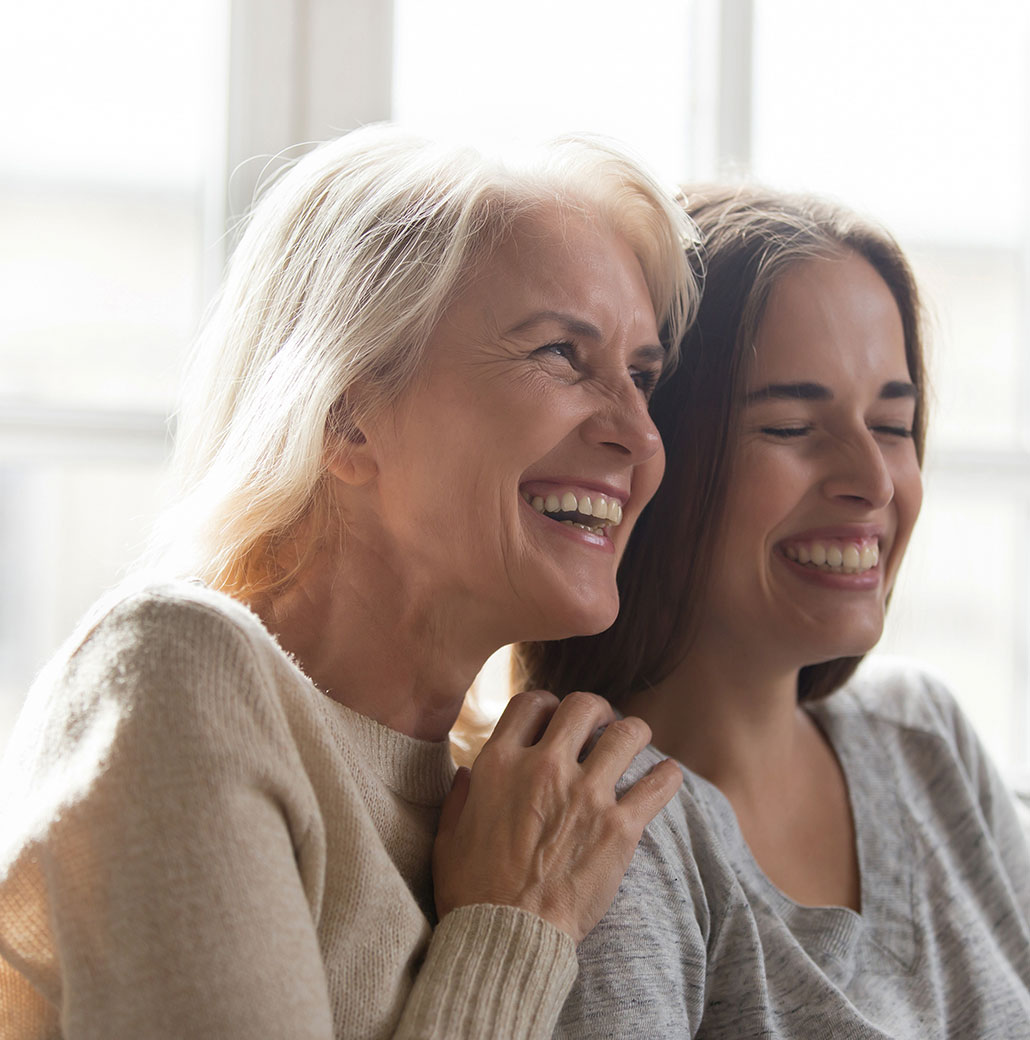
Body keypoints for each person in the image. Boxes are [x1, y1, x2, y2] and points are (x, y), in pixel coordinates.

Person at [0, 126, 701, 1039]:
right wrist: (513, 936)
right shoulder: (181, 675)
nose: (642, 440)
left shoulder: (527, 804)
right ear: (345, 417)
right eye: (562, 355)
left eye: (641, 378)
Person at [517, 185, 1030, 1037]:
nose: (872, 482)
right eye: (792, 427)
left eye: (894, 424)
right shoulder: (602, 832)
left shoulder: (922, 733)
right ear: (651, 452)